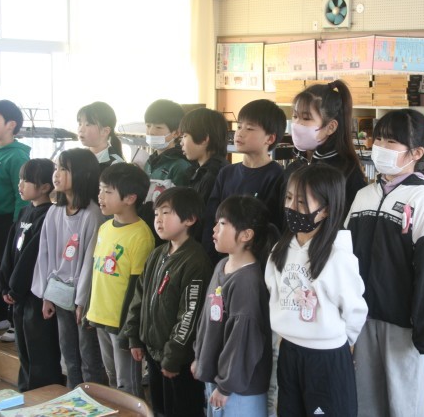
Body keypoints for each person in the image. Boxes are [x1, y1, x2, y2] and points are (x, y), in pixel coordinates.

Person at [345, 109, 424, 417]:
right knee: (364, 404)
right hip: (362, 321)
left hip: (404, 328)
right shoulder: (364, 196)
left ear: (416, 153)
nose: (380, 146)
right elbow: (344, 259)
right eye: (378, 138)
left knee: (403, 405)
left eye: (391, 141)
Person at [266, 164, 367, 417]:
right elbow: (273, 293)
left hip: (327, 356)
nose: (291, 207)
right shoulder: (281, 249)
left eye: (301, 202)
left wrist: (338, 342)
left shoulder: (337, 256)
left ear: (326, 210)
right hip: (289, 350)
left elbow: (354, 309)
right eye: (289, 198)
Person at [123, 187, 213, 417]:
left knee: (182, 411)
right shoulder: (157, 254)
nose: (158, 219)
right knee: (160, 410)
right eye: (156, 214)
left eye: (166, 212)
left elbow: (189, 316)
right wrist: (134, 337)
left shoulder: (195, 261)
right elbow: (139, 298)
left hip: (179, 360)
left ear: (190, 219)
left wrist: (172, 357)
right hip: (154, 353)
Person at [192, 195, 276, 417]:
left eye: (222, 224)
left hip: (239, 388)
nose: (214, 230)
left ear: (246, 235)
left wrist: (226, 385)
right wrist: (200, 357)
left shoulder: (247, 281)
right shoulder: (222, 265)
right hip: (219, 379)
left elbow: (242, 339)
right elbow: (207, 319)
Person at [31, 148, 106, 388]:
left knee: (89, 359)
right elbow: (45, 254)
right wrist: (46, 295)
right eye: (56, 168)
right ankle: (74, 401)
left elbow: (90, 262)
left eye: (64, 169)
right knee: (70, 357)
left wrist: (82, 301)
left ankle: (95, 402)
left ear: (83, 174)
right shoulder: (54, 212)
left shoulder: (93, 214)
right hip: (60, 295)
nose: (56, 174)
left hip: (83, 299)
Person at [85, 163, 155, 397]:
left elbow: (137, 288)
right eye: (100, 190)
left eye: (108, 191)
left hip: (122, 323)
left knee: (128, 385)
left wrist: (129, 329)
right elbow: (97, 273)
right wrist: (89, 309)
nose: (100, 196)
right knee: (113, 378)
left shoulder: (141, 235)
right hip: (100, 316)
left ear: (130, 198)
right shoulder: (105, 228)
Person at [0, 158, 62, 391]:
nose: (20, 185)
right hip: (18, 294)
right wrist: (5, 286)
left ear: (45, 187)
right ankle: (26, 389)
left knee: (40, 348)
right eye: (20, 179)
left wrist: (16, 287)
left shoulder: (49, 214)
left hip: (35, 293)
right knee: (23, 345)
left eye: (26, 180)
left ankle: (43, 392)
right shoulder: (25, 212)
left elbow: (32, 256)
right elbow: (9, 251)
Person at [201, 99, 286, 265]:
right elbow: (211, 217)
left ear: (270, 138)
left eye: (249, 128)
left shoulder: (277, 177)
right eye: (239, 126)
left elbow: (274, 227)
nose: (239, 133)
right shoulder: (226, 173)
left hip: (255, 262)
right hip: (221, 260)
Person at [285, 80, 366, 215]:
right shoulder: (294, 167)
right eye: (295, 116)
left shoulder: (347, 171)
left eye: (306, 118)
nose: (297, 124)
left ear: (330, 127)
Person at [0, 100, 30, 334]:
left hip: (6, 222)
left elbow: (21, 195)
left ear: (11, 125)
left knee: (8, 270)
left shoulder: (18, 156)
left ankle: (15, 320)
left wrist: (17, 225)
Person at [180, 108, 230, 206]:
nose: (181, 142)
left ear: (204, 139)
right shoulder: (201, 170)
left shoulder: (213, 175)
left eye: (185, 136)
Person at [143, 99, 191, 187]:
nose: (151, 132)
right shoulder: (150, 162)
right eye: (148, 126)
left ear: (176, 133)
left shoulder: (180, 165)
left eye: (158, 127)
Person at [77, 101, 125, 172]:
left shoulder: (116, 164)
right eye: (80, 124)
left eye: (87, 124)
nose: (81, 129)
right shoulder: (77, 157)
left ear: (105, 131)